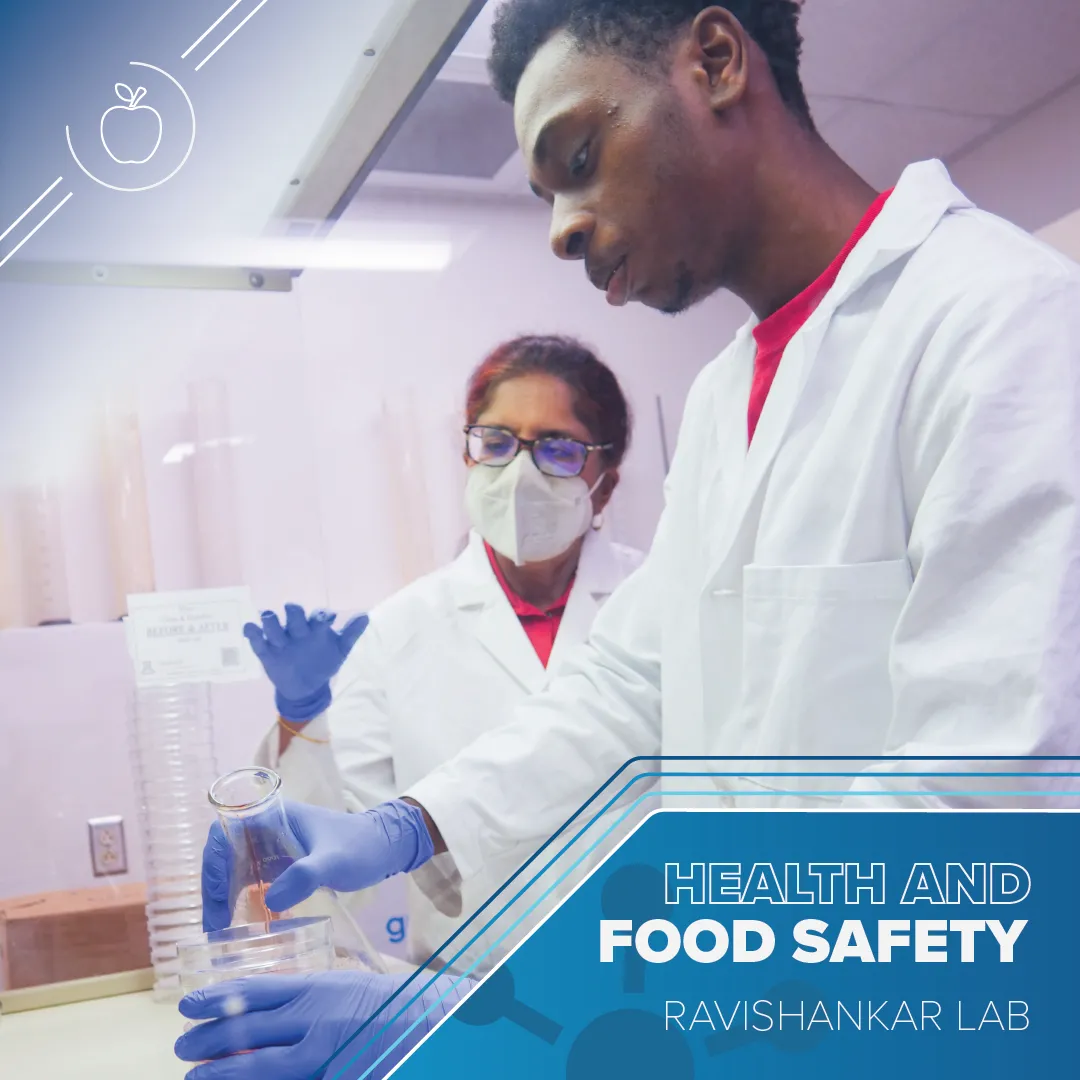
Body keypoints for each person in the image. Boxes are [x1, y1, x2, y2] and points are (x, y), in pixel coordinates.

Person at [182, 1, 1080, 1075]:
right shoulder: (720, 403)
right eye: (545, 190)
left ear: (713, 61)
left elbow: (975, 815)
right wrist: (403, 826)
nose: (561, 226)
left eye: (580, 156)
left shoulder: (1006, 324)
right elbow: (621, 690)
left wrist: (493, 1025)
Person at [209, 335, 644, 973]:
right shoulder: (398, 629)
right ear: (468, 459)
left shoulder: (654, 605)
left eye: (557, 449)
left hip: (653, 968)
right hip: (478, 986)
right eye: (496, 442)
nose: (519, 474)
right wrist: (303, 715)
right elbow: (338, 841)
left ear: (604, 485)